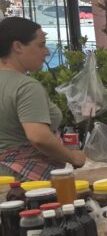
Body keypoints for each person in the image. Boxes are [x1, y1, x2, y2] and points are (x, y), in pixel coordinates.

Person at [0, 16, 85, 179]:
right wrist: (73, 157)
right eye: (41, 45)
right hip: (24, 183)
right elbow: (38, 136)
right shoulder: (26, 87)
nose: (47, 52)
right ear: (17, 46)